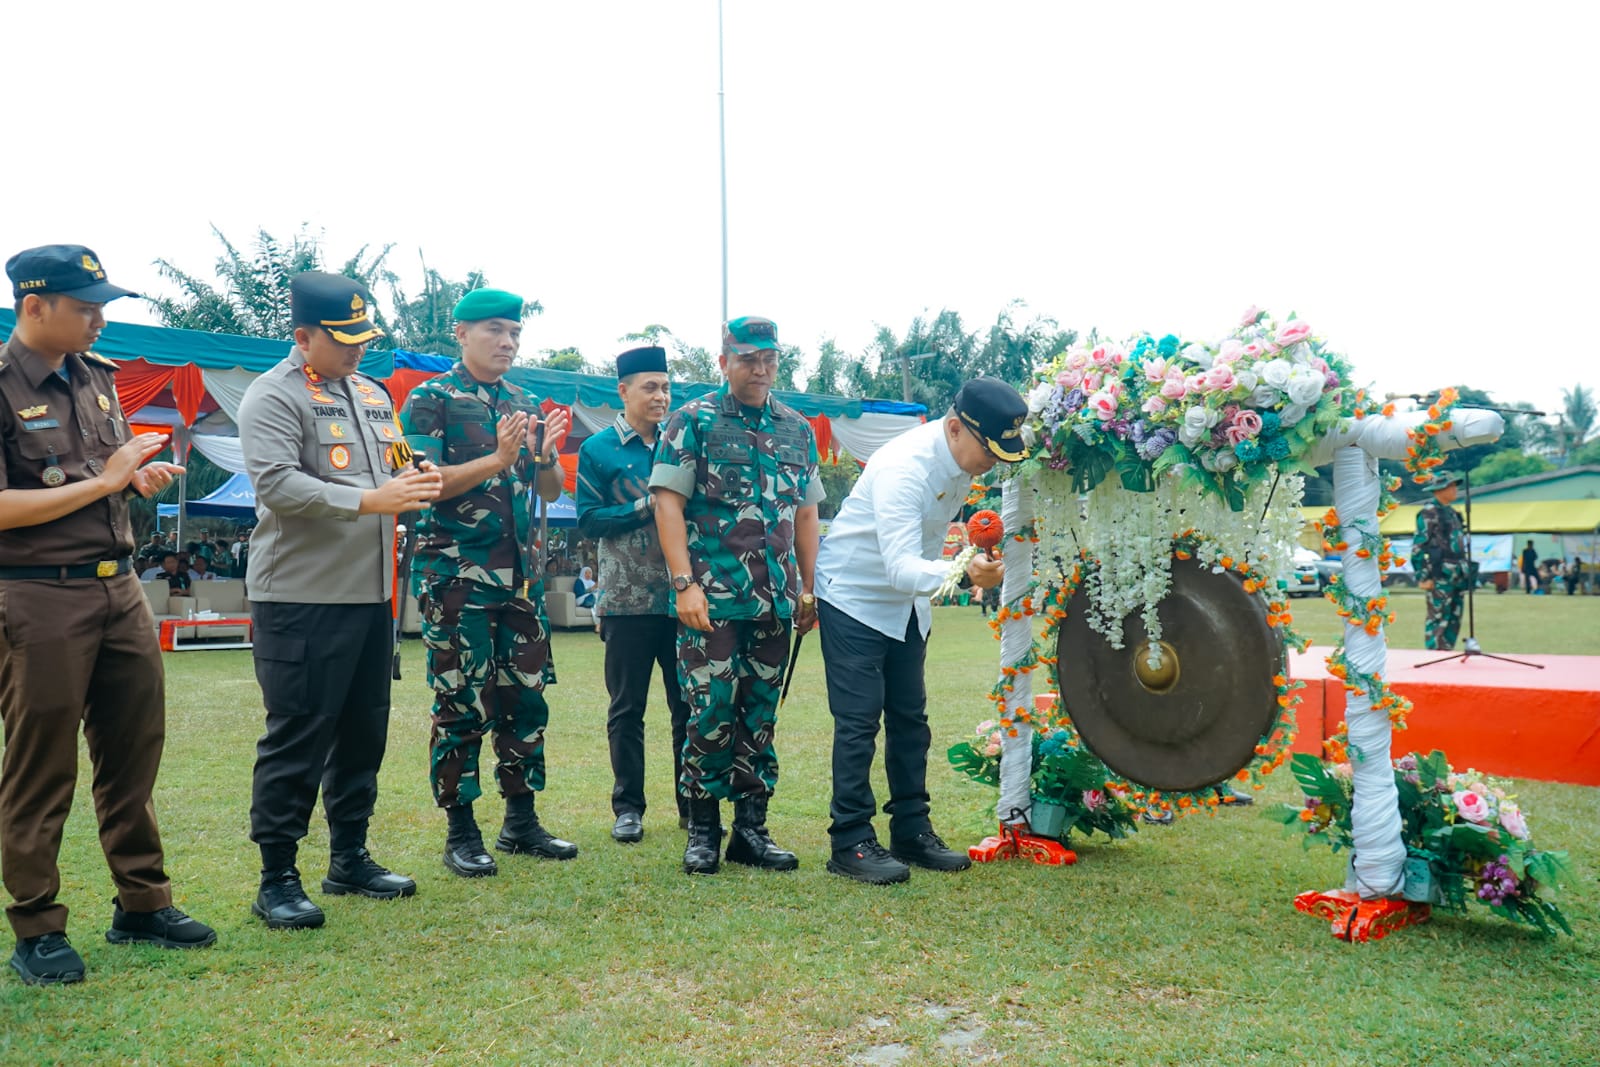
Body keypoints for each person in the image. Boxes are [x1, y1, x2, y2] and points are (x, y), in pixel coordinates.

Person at [0, 244, 214, 986]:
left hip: (116, 585)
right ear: (34, 305)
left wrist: (133, 480)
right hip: (36, 593)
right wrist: (109, 482)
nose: (99, 319)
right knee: (42, 760)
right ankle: (37, 923)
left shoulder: (96, 377)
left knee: (132, 747)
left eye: (102, 306)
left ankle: (142, 903)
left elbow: (104, 473)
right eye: (85, 306)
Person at [238, 271, 442, 929]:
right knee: (298, 732)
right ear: (303, 336)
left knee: (362, 732)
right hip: (301, 596)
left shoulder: (372, 393)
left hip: (367, 597)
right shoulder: (272, 397)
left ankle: (349, 856)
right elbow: (276, 485)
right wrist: (367, 499)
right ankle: (277, 877)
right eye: (344, 338)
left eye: (363, 337)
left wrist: (418, 475)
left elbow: (397, 463)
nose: (357, 350)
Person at [398, 288, 577, 878]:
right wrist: (497, 460)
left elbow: (548, 492)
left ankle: (520, 821)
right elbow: (419, 484)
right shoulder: (429, 400)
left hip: (519, 582)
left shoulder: (521, 402)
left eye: (514, 333)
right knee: (461, 703)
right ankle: (461, 830)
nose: (507, 342)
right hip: (455, 577)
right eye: (495, 330)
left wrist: (545, 457)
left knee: (525, 700)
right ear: (461, 333)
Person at [813, 379, 1021, 884]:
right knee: (859, 723)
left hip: (906, 606)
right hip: (855, 595)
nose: (991, 463)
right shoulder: (905, 466)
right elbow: (900, 567)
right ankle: (851, 840)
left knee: (911, 721)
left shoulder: (959, 460)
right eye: (988, 450)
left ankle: (911, 828)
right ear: (955, 428)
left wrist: (962, 563)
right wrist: (964, 570)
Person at [650, 315, 823, 875]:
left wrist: (808, 588)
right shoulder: (692, 421)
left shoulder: (797, 428)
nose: (760, 368)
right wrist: (684, 584)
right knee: (709, 711)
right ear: (723, 360)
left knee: (761, 713)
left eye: (769, 358)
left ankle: (751, 828)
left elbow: (806, 513)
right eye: (748, 358)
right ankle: (703, 829)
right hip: (712, 600)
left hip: (775, 601)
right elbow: (667, 503)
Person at [576, 345, 691, 844]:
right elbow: (588, 519)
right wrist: (650, 504)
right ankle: (629, 808)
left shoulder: (682, 444)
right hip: (626, 600)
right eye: (650, 387)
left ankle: (693, 804)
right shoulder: (598, 449)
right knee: (627, 708)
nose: (660, 396)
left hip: (684, 598)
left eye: (665, 387)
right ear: (622, 392)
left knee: (688, 705)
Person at [1412, 471, 1470, 651]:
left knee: (1454, 616)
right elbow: (1419, 546)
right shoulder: (1429, 512)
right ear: (1440, 489)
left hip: (1457, 572)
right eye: (1451, 486)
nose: (1455, 490)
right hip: (1439, 573)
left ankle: (1446, 652)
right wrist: (1423, 576)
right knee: (1438, 617)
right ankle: (1433, 655)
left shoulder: (1453, 513)